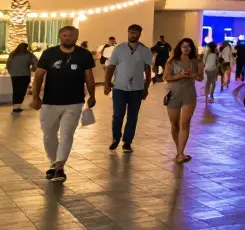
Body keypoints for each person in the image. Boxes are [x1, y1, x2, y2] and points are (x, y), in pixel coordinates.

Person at [29, 26, 97, 182]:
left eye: (71, 36)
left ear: (77, 37)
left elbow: (89, 77)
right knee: (49, 135)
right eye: (65, 35)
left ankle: (59, 167)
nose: (68, 38)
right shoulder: (49, 54)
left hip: (74, 102)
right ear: (60, 37)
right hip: (50, 102)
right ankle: (53, 163)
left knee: (67, 134)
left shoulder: (83, 55)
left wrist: (92, 95)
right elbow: (39, 76)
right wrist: (35, 97)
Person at [104, 23, 152, 152]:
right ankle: (115, 138)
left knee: (132, 115)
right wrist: (107, 84)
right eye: (130, 32)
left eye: (135, 32)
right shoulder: (119, 49)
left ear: (140, 34)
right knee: (118, 114)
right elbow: (111, 66)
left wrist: (146, 88)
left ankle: (127, 141)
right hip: (119, 87)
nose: (132, 34)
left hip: (136, 88)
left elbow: (148, 70)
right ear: (128, 32)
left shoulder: (145, 51)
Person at [164, 38, 199, 163]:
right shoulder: (172, 61)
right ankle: (178, 149)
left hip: (189, 95)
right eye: (184, 46)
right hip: (173, 94)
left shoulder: (195, 61)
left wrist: (192, 74)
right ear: (179, 47)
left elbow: (200, 77)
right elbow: (166, 77)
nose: (186, 48)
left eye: (189, 46)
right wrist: (179, 75)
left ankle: (180, 153)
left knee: (185, 123)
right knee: (174, 123)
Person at [7, 42, 36, 113]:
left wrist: (11, 72)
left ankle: (15, 106)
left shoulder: (12, 55)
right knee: (22, 90)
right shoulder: (28, 55)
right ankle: (18, 105)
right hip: (24, 74)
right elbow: (36, 62)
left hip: (14, 75)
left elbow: (8, 65)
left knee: (16, 90)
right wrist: (33, 68)